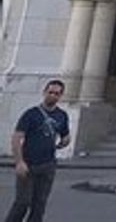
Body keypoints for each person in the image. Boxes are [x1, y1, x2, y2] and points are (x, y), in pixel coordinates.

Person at [5, 79, 70, 222]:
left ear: (61, 96)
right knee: (23, 202)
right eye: (50, 92)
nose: (53, 96)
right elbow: (17, 138)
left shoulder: (62, 116)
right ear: (44, 92)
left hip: (48, 165)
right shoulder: (31, 114)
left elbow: (65, 135)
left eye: (57, 93)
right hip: (29, 164)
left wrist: (64, 143)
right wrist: (19, 162)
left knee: (39, 204)